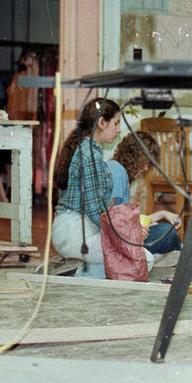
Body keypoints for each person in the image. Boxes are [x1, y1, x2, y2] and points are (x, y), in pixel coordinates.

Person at [51, 97, 122, 278]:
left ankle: (81, 273)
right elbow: (95, 209)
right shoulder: (89, 155)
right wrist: (119, 235)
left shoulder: (86, 150)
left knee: (117, 261)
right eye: (116, 123)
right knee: (142, 259)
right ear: (101, 122)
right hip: (74, 232)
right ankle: (79, 275)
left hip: (73, 230)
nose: (119, 130)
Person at [108, 131, 182, 256]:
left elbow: (123, 218)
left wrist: (161, 214)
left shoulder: (117, 170)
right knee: (169, 234)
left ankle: (162, 255)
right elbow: (109, 220)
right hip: (119, 243)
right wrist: (135, 231)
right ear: (134, 157)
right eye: (146, 163)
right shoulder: (118, 172)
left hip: (124, 237)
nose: (146, 169)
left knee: (163, 229)